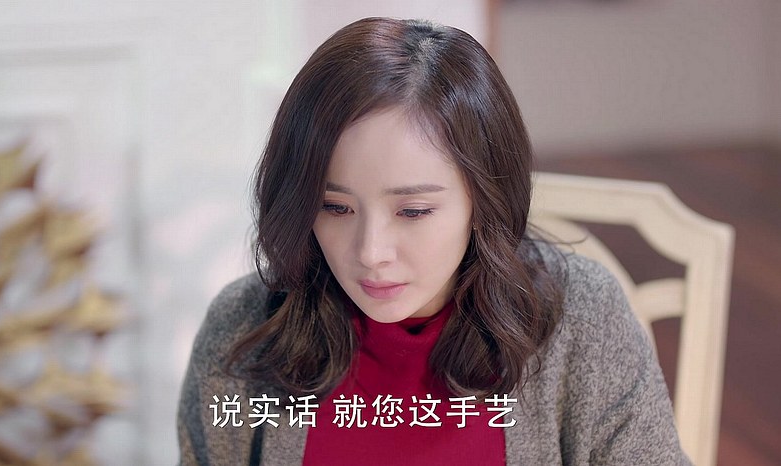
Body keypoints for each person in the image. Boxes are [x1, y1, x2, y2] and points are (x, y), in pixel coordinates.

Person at [177, 17, 689, 465]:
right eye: (335, 207)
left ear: (484, 198)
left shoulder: (582, 319)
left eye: (413, 211)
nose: (370, 253)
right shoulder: (244, 328)